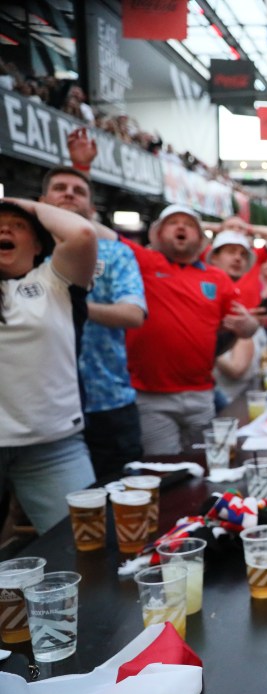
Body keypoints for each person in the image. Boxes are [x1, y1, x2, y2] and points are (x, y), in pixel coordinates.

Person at [44, 128, 147, 480]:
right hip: (40, 408)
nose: (69, 195)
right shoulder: (21, 250)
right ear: (41, 202)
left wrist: (74, 306)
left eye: (79, 191)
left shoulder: (116, 252)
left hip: (109, 402)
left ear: (92, 208)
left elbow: (133, 315)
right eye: (60, 189)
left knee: (124, 505)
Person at [122, 205, 258, 454]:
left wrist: (249, 326)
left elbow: (244, 327)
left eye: (189, 224)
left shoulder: (218, 278)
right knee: (164, 474)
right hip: (152, 399)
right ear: (158, 234)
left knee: (208, 470)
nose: (181, 227)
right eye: (173, 222)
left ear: (200, 238)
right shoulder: (142, 261)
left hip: (202, 395)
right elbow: (93, 232)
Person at [0, 198, 98, 533]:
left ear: (39, 243)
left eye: (19, 224)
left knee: (82, 549)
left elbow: (82, 233)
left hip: (52, 448)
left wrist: (12, 200)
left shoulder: (53, 281)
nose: (5, 228)